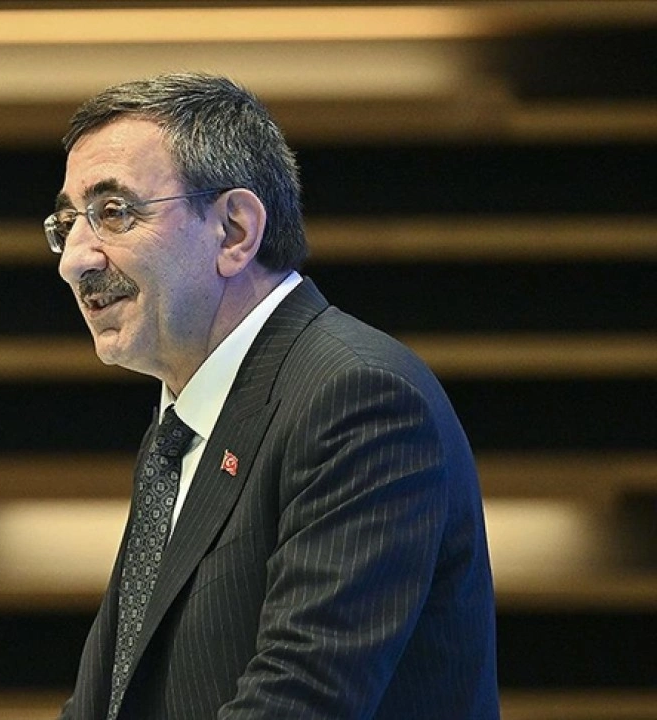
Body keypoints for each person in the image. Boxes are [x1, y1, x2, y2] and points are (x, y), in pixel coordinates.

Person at [48, 73, 498, 719]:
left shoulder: (358, 399)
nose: (74, 259)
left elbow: (299, 700)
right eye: (68, 222)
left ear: (235, 231)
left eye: (114, 213)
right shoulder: (181, 426)